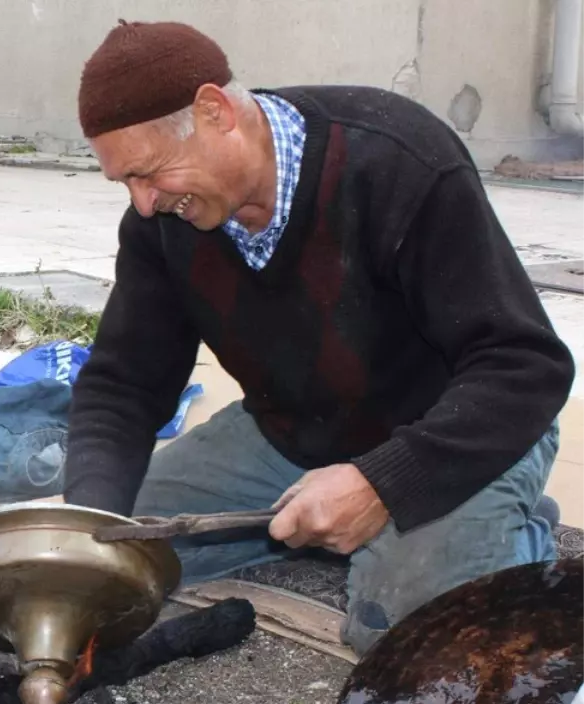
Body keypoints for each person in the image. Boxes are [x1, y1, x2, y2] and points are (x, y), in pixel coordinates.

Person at [62, 20, 576, 656]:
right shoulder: (162, 222)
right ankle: (362, 534)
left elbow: (526, 366)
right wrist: (89, 525)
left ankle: (509, 535)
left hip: (459, 432)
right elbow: (122, 385)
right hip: (295, 434)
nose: (140, 204)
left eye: (149, 173)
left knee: (409, 634)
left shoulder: (397, 160)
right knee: (121, 562)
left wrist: (380, 485)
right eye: (125, 184)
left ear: (214, 111)